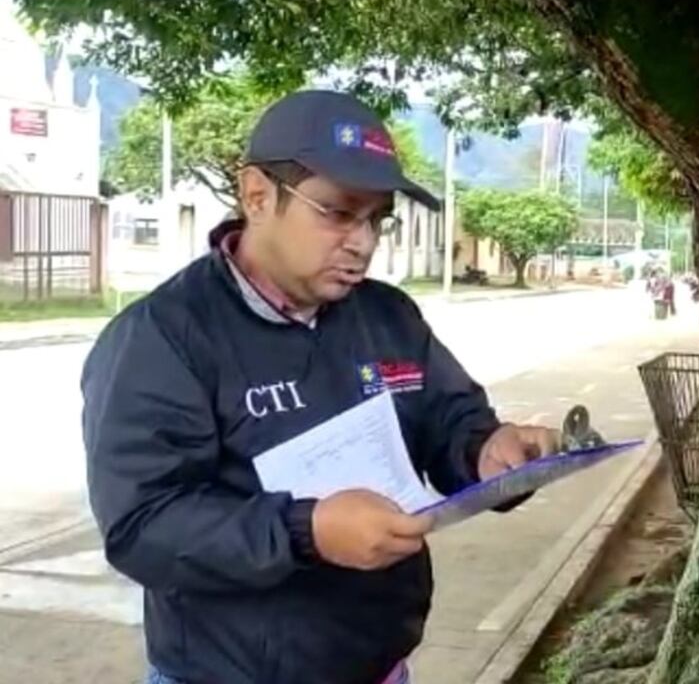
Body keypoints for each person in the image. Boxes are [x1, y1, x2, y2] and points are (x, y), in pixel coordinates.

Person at [81, 90, 560, 684]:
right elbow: (144, 527)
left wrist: (487, 454)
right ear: (257, 195)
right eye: (337, 212)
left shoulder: (388, 317)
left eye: (378, 219)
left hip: (381, 668)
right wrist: (308, 531)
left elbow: (448, 418)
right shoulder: (163, 339)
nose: (362, 242)